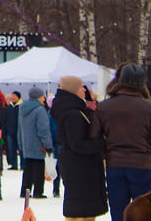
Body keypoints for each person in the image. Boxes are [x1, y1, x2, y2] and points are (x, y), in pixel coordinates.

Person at [90, 63, 151, 221]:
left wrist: (108, 152)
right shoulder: (148, 107)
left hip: (115, 165)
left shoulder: (104, 107)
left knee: (118, 213)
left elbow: (94, 137)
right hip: (144, 166)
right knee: (144, 214)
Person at [49, 75, 108, 221]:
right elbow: (77, 144)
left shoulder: (72, 110)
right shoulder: (73, 114)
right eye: (81, 87)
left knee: (82, 208)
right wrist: (102, 143)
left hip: (77, 166)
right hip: (79, 168)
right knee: (80, 209)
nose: (84, 90)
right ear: (73, 90)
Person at [18, 87, 53, 200]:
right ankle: (38, 191)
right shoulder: (39, 110)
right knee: (38, 168)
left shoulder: (22, 108)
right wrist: (47, 145)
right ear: (39, 96)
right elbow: (43, 129)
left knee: (28, 168)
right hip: (38, 144)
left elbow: (19, 128)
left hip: (26, 143)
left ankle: (25, 190)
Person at [3, 91, 22, 169]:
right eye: (12, 96)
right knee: (11, 149)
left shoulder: (21, 107)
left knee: (21, 149)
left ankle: (23, 165)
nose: (13, 98)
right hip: (10, 132)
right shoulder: (8, 108)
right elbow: (5, 120)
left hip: (19, 131)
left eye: (14, 96)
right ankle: (14, 165)